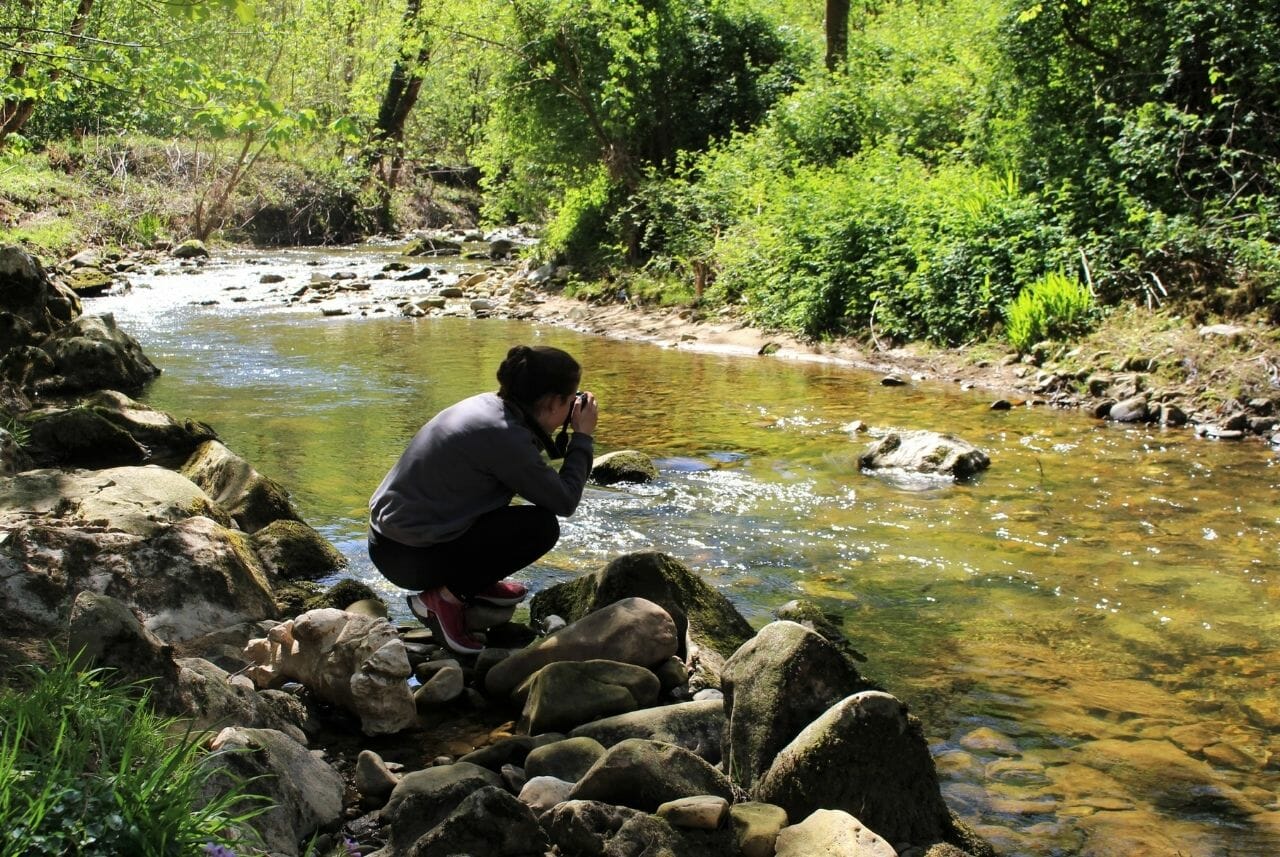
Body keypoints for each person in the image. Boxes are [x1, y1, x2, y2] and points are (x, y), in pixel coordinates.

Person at [368, 344, 598, 654]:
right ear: (553, 401)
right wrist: (582, 437)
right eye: (570, 400)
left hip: (388, 541)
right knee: (541, 527)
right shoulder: (504, 435)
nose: (573, 407)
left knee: (512, 516)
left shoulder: (488, 407)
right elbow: (565, 501)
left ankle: (474, 582)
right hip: (410, 559)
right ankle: (442, 600)